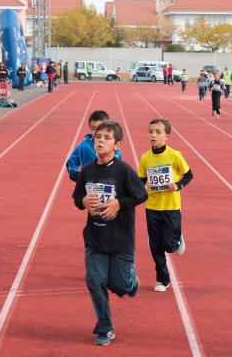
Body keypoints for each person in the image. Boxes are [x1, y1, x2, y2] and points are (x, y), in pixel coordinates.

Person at [72, 121, 148, 346]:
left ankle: (131, 281)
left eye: (106, 137)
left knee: (121, 286)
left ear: (117, 145)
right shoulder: (87, 170)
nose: (100, 141)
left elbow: (141, 195)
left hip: (121, 239)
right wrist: (83, 201)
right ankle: (105, 327)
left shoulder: (123, 170)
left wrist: (119, 204)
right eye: (98, 137)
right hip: (95, 237)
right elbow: (77, 199)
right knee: (95, 281)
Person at [138, 118, 193, 292]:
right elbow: (141, 180)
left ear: (167, 136)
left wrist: (177, 185)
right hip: (152, 207)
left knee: (169, 245)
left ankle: (177, 240)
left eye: (158, 132)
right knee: (155, 246)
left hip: (171, 206)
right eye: (151, 131)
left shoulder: (174, 155)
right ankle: (163, 279)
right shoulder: (145, 157)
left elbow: (189, 174)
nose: (153, 135)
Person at [66, 110, 122, 182]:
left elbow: (119, 164)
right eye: (93, 128)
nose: (96, 131)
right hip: (89, 186)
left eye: (100, 128)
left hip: (109, 185)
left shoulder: (113, 146)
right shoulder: (83, 146)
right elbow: (71, 162)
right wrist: (77, 176)